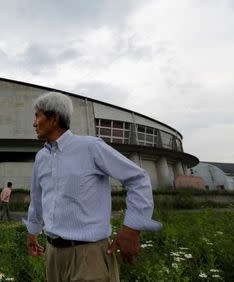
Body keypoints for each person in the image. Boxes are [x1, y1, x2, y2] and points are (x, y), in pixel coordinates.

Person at [24, 92, 162, 282]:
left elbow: (138, 179)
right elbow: (38, 198)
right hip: (53, 255)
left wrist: (132, 229)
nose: (34, 123)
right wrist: (33, 232)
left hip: (89, 256)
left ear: (54, 118)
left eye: (37, 115)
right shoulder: (42, 157)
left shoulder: (90, 147)